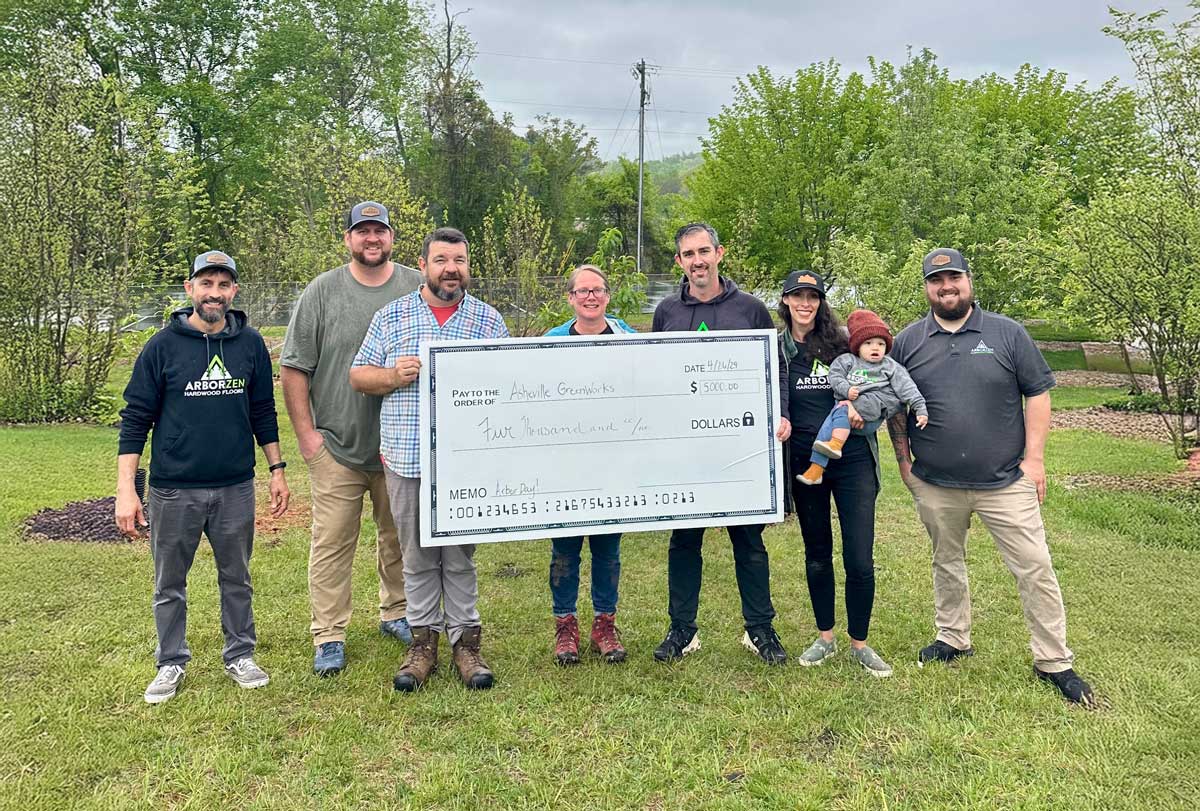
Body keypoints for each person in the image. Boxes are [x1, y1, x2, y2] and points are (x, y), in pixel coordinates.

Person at [888, 247, 1095, 706]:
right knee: (946, 561)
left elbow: (1038, 393)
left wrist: (1034, 460)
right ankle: (953, 636)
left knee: (1035, 566)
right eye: (936, 280)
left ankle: (1053, 660)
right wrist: (904, 462)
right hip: (936, 482)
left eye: (954, 278)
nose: (946, 287)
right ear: (926, 287)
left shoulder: (1007, 333)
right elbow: (896, 407)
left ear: (968, 280)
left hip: (1006, 481)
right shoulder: (907, 342)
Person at [116, 250, 289, 704]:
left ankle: (240, 654)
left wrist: (276, 469)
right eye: (206, 284)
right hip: (174, 489)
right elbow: (135, 420)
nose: (215, 293)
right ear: (190, 289)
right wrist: (126, 490)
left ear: (234, 291)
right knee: (169, 582)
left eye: (223, 285)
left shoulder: (250, 344)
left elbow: (263, 411)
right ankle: (170, 661)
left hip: (235, 486)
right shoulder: (161, 347)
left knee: (237, 577)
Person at [350, 226, 509, 692]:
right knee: (416, 556)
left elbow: (510, 382)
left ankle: (466, 644)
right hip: (408, 457)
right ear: (422, 265)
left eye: (459, 260)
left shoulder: (487, 320)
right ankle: (423, 643)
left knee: (459, 556)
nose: (450, 269)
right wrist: (392, 375)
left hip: (466, 462)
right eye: (441, 260)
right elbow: (358, 376)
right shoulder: (392, 316)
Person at [280, 201, 422, 677]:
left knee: (398, 537)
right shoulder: (322, 291)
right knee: (332, 543)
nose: (372, 238)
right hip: (338, 446)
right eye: (362, 231)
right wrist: (307, 438)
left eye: (379, 230)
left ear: (392, 237)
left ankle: (397, 611)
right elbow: (294, 367)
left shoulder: (416, 287)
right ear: (348, 239)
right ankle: (329, 634)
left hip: (401, 446)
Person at [650, 222, 792, 665]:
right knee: (684, 541)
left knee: (748, 541)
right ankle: (682, 629)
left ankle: (759, 629)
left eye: (704, 251)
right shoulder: (666, 312)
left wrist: (781, 412)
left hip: (740, 447)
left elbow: (776, 368)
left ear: (719, 253)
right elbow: (654, 374)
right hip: (687, 452)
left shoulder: (750, 309)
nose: (698, 261)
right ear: (679, 261)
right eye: (689, 254)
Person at [778, 271, 892, 677]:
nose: (805, 303)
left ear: (821, 302)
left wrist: (867, 411)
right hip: (806, 463)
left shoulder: (844, 343)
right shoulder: (777, 349)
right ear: (786, 301)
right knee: (817, 554)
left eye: (813, 296)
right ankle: (825, 637)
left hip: (854, 460)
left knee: (859, 557)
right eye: (797, 296)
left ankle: (860, 643)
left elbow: (886, 384)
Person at [543, 265, 636, 665]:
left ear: (608, 296)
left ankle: (604, 624)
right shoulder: (551, 342)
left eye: (597, 290)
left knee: (607, 548)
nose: (590, 297)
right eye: (582, 291)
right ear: (570, 298)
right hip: (565, 464)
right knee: (564, 549)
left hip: (613, 464)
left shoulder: (629, 339)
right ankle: (565, 625)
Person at [796, 308, 928, 485]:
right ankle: (816, 468)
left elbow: (908, 388)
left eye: (881, 344)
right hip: (847, 417)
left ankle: (835, 444)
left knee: (840, 409)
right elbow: (834, 376)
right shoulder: (847, 361)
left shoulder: (890, 366)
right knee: (835, 415)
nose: (875, 348)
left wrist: (920, 408)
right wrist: (846, 390)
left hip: (871, 415)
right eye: (868, 343)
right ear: (857, 345)